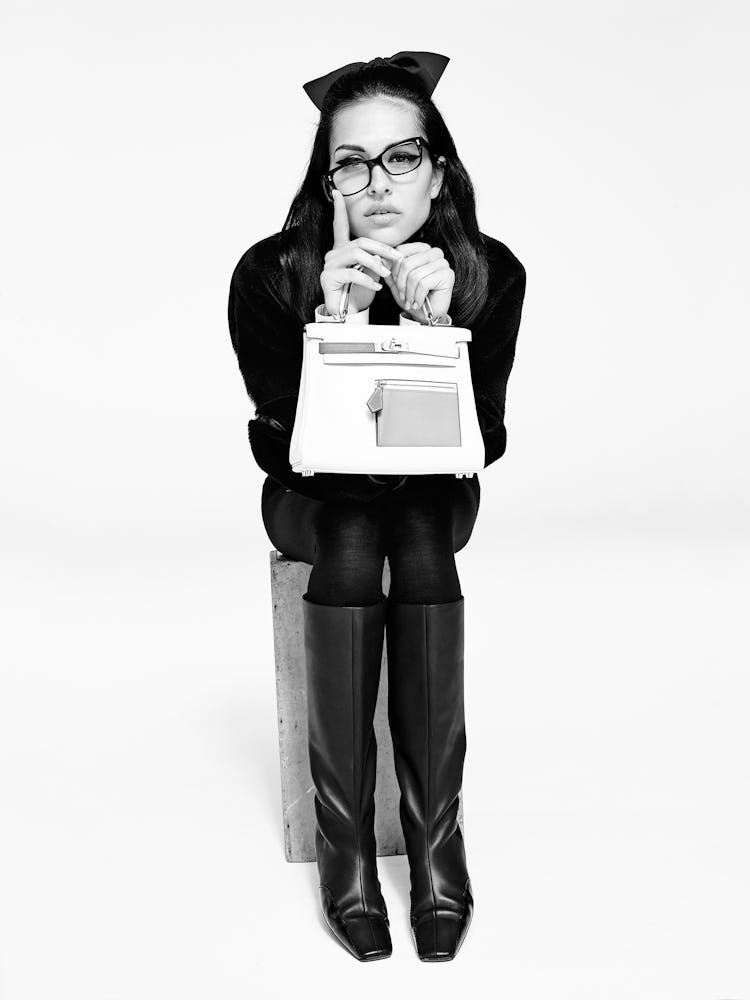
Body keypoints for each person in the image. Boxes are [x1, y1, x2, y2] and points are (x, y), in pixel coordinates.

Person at [227, 51, 527, 963]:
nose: (377, 182)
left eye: (401, 157)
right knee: (355, 534)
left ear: (439, 170)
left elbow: (485, 446)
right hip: (307, 501)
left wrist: (438, 334)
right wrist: (340, 329)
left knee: (422, 530)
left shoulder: (488, 273)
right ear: (330, 185)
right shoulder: (273, 273)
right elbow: (291, 452)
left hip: (437, 498)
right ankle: (346, 848)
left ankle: (437, 843)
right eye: (352, 163)